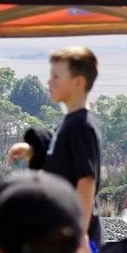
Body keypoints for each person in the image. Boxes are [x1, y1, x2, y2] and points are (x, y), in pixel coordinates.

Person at [41, 46, 103, 224]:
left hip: (72, 232)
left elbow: (86, 181)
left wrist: (78, 235)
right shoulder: (68, 122)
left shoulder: (80, 125)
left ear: (78, 82)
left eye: (56, 77)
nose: (49, 82)